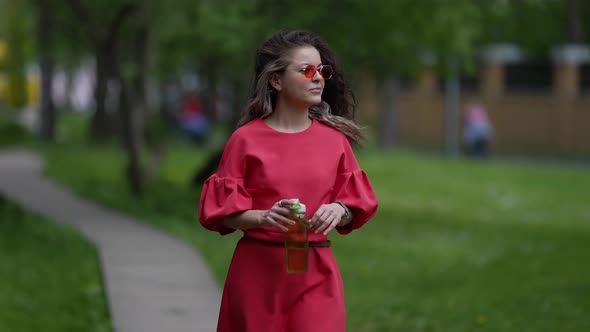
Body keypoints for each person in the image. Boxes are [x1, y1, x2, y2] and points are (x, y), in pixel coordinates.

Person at [198, 30, 378, 332]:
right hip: (258, 274)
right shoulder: (245, 140)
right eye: (306, 70)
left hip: (315, 272)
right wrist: (264, 217)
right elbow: (221, 213)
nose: (318, 77)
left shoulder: (334, 142)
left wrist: (339, 209)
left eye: (323, 70)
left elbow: (357, 203)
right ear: (276, 80)